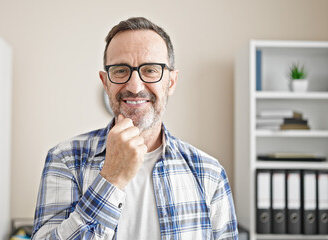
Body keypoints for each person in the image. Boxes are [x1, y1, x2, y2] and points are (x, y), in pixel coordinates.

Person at [32, 17, 238, 240]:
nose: (134, 86)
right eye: (121, 70)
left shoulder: (209, 173)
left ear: (171, 82)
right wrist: (111, 177)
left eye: (150, 70)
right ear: (105, 82)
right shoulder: (65, 159)